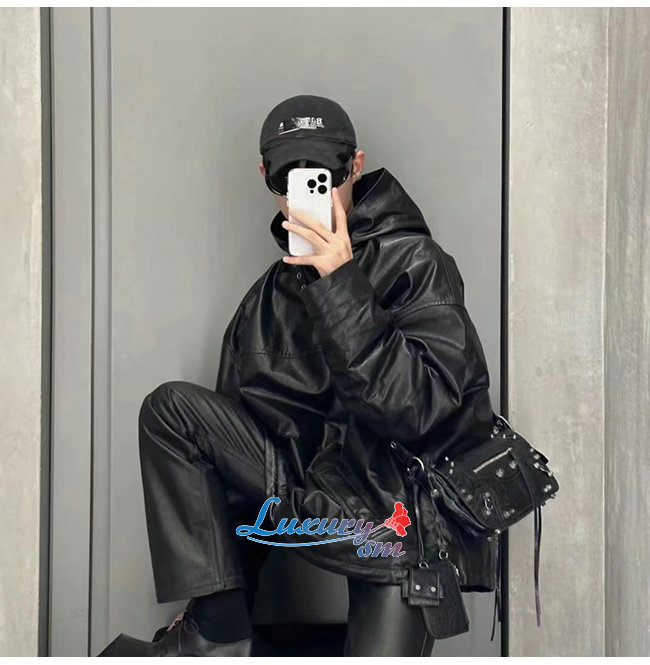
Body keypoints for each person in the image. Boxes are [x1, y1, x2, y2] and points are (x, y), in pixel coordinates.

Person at [99, 94, 499, 657]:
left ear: (355, 167)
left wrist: (340, 284)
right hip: (307, 499)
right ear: (267, 177)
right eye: (290, 177)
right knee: (173, 410)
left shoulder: (417, 262)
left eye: (324, 173)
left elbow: (420, 412)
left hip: (396, 524)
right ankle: (216, 635)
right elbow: (228, 478)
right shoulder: (264, 301)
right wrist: (219, 614)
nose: (307, 192)